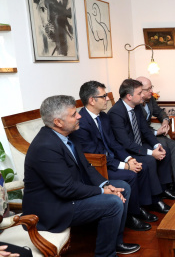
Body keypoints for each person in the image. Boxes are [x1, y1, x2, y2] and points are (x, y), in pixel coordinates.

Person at [22, 95, 140, 256]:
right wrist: (102, 192)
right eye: (73, 114)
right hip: (54, 207)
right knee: (113, 202)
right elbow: (66, 189)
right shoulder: (45, 147)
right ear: (58, 122)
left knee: (123, 187)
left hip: (69, 195)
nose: (79, 116)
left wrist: (105, 185)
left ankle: (115, 242)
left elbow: (87, 167)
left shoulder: (68, 135)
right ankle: (105, 254)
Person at [70, 81, 161, 232]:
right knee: (130, 175)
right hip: (98, 167)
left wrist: (129, 159)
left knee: (140, 166)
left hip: (110, 160)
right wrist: (125, 166)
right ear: (92, 100)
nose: (107, 99)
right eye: (104, 96)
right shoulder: (82, 123)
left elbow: (114, 143)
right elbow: (96, 156)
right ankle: (131, 216)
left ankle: (140, 207)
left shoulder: (103, 117)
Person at [108, 79, 175, 209]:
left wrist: (155, 146)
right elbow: (126, 143)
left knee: (165, 150)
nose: (143, 95)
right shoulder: (116, 113)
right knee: (150, 160)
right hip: (126, 151)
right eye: (140, 93)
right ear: (129, 96)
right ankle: (154, 199)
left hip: (138, 145)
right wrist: (151, 153)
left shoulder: (136, 107)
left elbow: (145, 131)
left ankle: (163, 189)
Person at [136, 76, 175, 194]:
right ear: (139, 90)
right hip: (143, 136)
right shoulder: (135, 104)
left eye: (151, 87)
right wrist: (156, 132)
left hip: (150, 132)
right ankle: (166, 185)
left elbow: (159, 112)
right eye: (148, 89)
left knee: (174, 144)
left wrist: (165, 121)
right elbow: (139, 129)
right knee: (164, 145)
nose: (151, 91)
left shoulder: (150, 99)